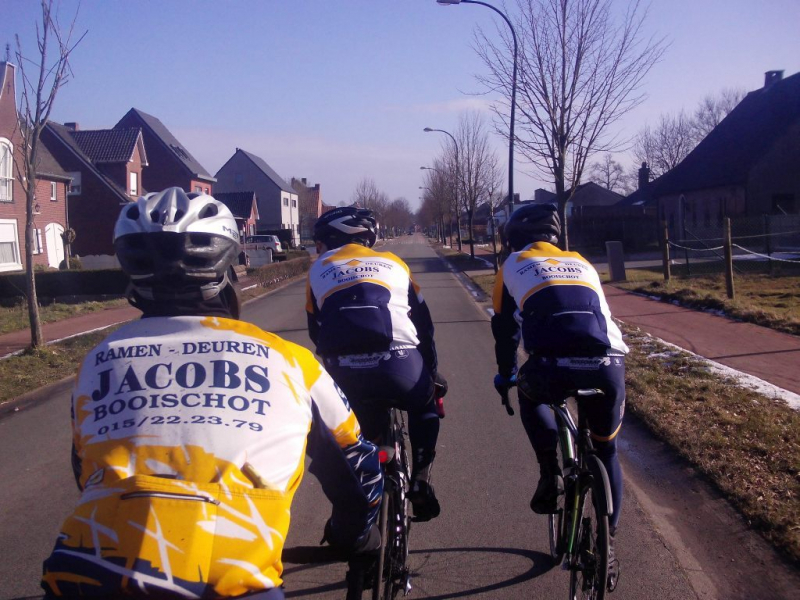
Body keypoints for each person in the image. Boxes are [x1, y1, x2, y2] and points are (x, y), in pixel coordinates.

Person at [41, 188, 382, 599]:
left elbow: (86, 472)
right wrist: (355, 535)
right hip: (228, 583)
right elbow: (356, 468)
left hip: (87, 573)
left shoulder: (98, 360)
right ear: (230, 269)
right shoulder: (291, 362)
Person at [491, 203, 627, 590]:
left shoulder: (511, 266)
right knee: (607, 451)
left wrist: (506, 375)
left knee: (531, 395)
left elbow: (505, 332)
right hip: (607, 363)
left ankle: (550, 471)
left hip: (552, 366)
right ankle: (609, 542)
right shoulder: (582, 263)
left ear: (512, 240)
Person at [305, 207, 445, 522]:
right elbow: (423, 325)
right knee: (425, 403)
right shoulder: (395, 263)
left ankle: (352, 508)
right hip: (401, 367)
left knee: (353, 437)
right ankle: (421, 477)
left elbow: (317, 330)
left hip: (346, 374)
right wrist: (432, 372)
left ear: (330, 240)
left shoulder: (318, 270)